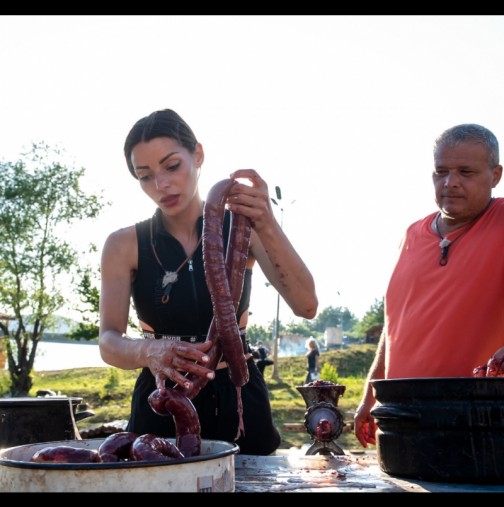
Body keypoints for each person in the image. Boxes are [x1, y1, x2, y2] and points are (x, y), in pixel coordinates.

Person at [98, 108, 318, 456]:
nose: (161, 185)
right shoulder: (124, 244)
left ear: (197, 155)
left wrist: (268, 223)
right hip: (161, 404)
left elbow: (306, 305)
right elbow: (108, 341)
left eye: (172, 166)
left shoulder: (242, 227)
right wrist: (149, 350)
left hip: (239, 396)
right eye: (145, 176)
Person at [354, 123, 504, 448]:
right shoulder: (411, 234)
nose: (450, 182)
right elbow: (395, 324)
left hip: (480, 430)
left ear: (495, 175)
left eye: (466, 172)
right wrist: (370, 393)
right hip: (401, 423)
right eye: (441, 171)